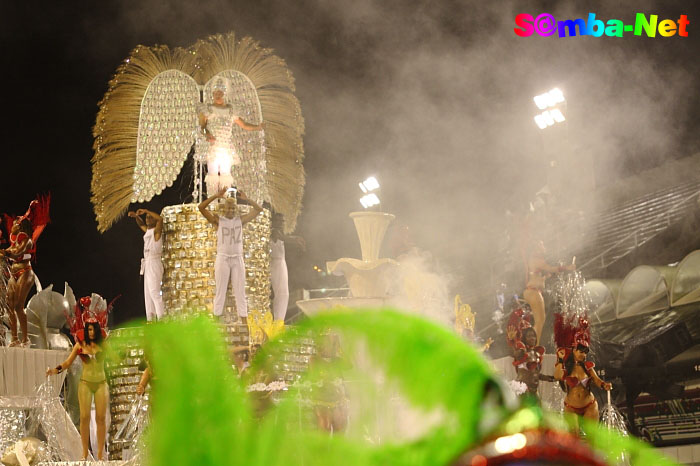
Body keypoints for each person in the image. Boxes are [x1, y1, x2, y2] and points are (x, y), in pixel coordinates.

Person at [48, 295, 114, 460]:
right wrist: (55, 370)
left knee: (100, 418)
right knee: (84, 418)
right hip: (85, 383)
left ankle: (99, 454)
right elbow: (67, 363)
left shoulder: (104, 345)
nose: (90, 331)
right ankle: (84, 453)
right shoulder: (79, 345)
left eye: (93, 328)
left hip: (101, 383)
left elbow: (115, 357)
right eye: (88, 329)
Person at [198, 188, 262, 322]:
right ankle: (216, 325)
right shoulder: (218, 220)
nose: (231, 211)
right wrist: (215, 196)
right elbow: (201, 207)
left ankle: (245, 325)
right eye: (229, 208)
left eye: (233, 208)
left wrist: (247, 199)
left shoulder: (241, 220)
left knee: (240, 291)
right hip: (223, 258)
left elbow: (258, 210)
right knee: (220, 291)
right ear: (224, 209)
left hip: (237, 259)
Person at [198, 77, 265, 196]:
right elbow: (202, 126)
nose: (218, 95)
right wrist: (207, 134)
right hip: (213, 147)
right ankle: (212, 202)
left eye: (221, 93)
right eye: (216, 93)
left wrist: (257, 127)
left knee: (225, 174)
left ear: (225, 94)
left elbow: (244, 125)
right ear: (213, 94)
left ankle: (225, 202)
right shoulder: (207, 109)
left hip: (226, 147)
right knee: (213, 174)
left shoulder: (231, 110)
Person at [1, 196, 50, 347]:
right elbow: (11, 250)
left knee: (18, 306)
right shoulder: (15, 240)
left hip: (25, 272)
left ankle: (25, 339)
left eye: (16, 222)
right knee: (10, 305)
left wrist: (6, 253)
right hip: (13, 272)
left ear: (21, 227)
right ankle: (14, 338)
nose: (13, 224)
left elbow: (16, 252)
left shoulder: (27, 240)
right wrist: (4, 252)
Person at [553, 317, 611, 422]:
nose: (583, 354)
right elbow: (557, 376)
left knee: (591, 436)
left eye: (585, 352)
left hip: (589, 405)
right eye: (581, 351)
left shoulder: (588, 367)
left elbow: (596, 379)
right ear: (574, 350)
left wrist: (604, 385)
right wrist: (560, 360)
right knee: (574, 436)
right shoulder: (566, 366)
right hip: (571, 407)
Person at [523, 239, 575, 344]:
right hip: (534, 292)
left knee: (539, 321)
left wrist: (545, 277)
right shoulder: (537, 260)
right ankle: (533, 346)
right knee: (540, 321)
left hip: (531, 292)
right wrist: (568, 267)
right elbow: (551, 268)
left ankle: (533, 346)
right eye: (542, 245)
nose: (544, 248)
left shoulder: (533, 260)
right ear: (537, 248)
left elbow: (537, 277)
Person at [128, 208, 164, 321]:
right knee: (148, 295)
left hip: (154, 262)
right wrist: (136, 217)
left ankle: (162, 319)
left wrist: (147, 211)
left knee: (155, 292)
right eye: (147, 217)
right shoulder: (148, 231)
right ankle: (151, 320)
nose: (147, 219)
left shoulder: (157, 232)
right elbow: (141, 224)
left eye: (150, 217)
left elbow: (160, 219)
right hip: (147, 263)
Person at [270, 213, 305, 329]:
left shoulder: (280, 232)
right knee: (282, 293)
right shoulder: (274, 231)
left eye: (282, 221)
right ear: (273, 221)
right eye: (278, 220)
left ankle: (279, 320)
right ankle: (277, 321)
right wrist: (296, 239)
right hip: (275, 263)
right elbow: (282, 238)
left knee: (283, 293)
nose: (280, 223)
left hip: (280, 263)